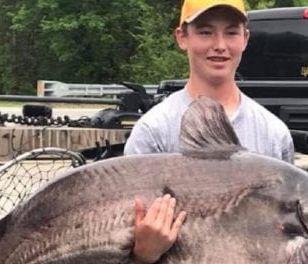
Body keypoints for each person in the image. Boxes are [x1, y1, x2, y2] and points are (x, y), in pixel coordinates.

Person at [125, 0, 295, 263]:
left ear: (245, 38)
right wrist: (143, 253)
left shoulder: (274, 134)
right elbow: (125, 238)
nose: (220, 45)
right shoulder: (153, 131)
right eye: (205, 32)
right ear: (182, 37)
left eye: (231, 32)